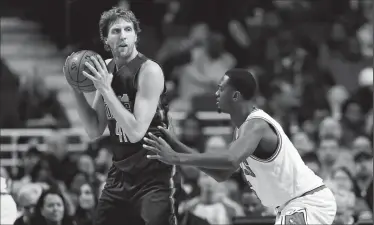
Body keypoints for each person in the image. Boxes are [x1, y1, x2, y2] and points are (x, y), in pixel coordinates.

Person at [143, 68, 337, 224]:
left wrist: (176, 158)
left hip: (307, 201)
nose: (216, 93)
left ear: (235, 96)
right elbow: (222, 174)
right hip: (292, 205)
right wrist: (176, 145)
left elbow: (230, 159)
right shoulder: (242, 131)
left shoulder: (256, 124)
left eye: (221, 89)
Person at [66, 7, 177, 225]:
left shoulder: (149, 71)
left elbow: (136, 132)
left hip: (153, 175)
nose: (123, 35)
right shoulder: (106, 68)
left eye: (128, 29)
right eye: (116, 31)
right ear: (106, 40)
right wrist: (76, 88)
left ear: (136, 36)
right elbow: (95, 129)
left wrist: (106, 90)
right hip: (120, 172)